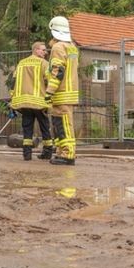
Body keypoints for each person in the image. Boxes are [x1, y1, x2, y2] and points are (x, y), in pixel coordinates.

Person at [9, 42, 54, 161]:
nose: (46, 52)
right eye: (43, 50)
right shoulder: (44, 63)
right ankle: (47, 152)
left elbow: (13, 81)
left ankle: (27, 154)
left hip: (24, 102)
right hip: (39, 102)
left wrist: (12, 98)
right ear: (36, 50)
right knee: (45, 127)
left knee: (27, 128)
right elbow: (49, 80)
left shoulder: (21, 63)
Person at [45, 16, 80, 166]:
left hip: (61, 92)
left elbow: (58, 71)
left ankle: (67, 154)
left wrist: (49, 91)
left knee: (64, 125)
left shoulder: (58, 47)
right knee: (61, 124)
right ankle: (62, 152)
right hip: (69, 91)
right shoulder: (72, 46)